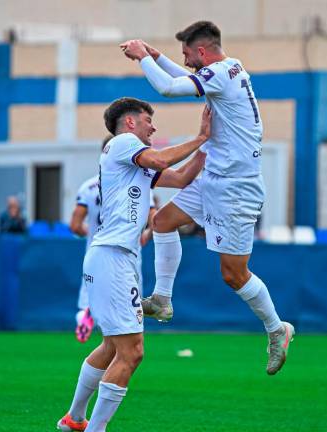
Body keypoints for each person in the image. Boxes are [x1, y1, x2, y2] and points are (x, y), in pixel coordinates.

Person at [120, 21, 294, 376]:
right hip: (215, 177)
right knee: (162, 221)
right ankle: (164, 299)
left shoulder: (219, 73)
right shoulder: (230, 68)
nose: (186, 62)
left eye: (187, 55)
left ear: (202, 51)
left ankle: (277, 328)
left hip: (235, 188)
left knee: (233, 274)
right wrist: (159, 56)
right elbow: (185, 78)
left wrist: (142, 59)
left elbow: (170, 88)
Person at [56, 97, 209, 431]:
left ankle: (75, 419)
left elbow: (182, 178)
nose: (153, 127)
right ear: (129, 123)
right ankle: (93, 428)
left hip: (111, 257)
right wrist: (198, 137)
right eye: (147, 120)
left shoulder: (134, 164)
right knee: (133, 352)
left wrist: (210, 146)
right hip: (112, 257)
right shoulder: (123, 143)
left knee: (113, 346)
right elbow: (158, 158)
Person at [69, 135, 158, 344]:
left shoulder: (88, 187)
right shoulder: (141, 183)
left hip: (96, 251)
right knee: (128, 312)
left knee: (88, 302)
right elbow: (156, 218)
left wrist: (91, 232)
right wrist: (145, 235)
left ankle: (85, 317)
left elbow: (74, 224)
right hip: (126, 253)